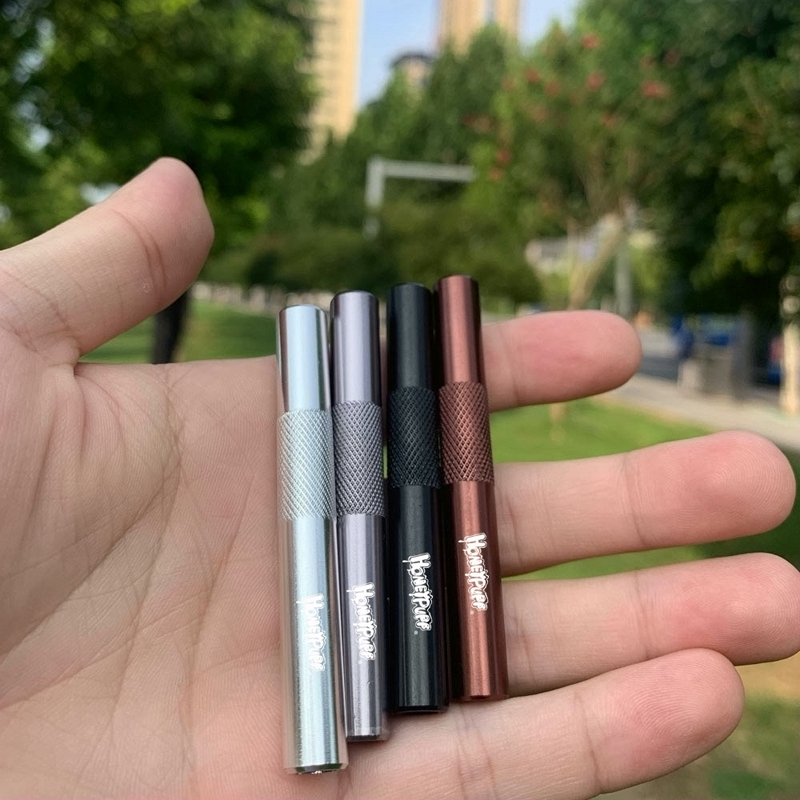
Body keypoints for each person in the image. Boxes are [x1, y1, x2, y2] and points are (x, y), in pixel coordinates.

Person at [0, 159, 797, 799]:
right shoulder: (319, 413)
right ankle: (348, 712)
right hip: (326, 515)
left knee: (418, 553)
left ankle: (401, 690)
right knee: (375, 558)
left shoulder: (419, 416)